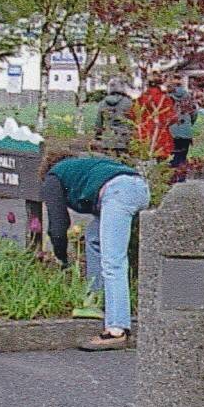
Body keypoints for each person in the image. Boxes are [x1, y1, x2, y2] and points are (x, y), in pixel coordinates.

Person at [37, 148, 152, 350]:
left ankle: (117, 330)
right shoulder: (84, 166)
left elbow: (57, 226)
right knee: (93, 238)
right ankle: (96, 298)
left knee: (113, 262)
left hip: (117, 192)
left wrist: (63, 259)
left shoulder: (53, 177)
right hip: (139, 188)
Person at [91, 80, 137, 161]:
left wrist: (97, 137)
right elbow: (134, 121)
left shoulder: (102, 103)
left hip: (108, 139)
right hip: (124, 139)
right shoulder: (129, 103)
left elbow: (99, 124)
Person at [133, 78, 175, 163]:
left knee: (143, 158)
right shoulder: (165, 99)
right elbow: (172, 117)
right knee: (161, 161)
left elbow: (133, 114)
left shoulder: (141, 98)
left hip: (144, 132)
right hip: (160, 133)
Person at [166, 78, 198, 182]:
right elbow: (194, 113)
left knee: (172, 154)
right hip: (186, 131)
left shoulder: (168, 98)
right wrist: (189, 124)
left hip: (171, 130)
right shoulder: (189, 97)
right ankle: (181, 177)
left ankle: (172, 176)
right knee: (183, 155)